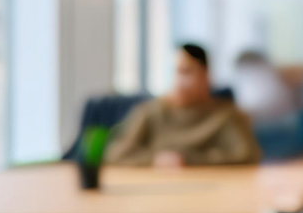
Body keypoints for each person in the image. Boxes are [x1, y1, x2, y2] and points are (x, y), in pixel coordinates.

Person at [105, 44, 261, 168]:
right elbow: (115, 153)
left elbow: (247, 155)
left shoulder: (225, 114)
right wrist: (154, 159)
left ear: (205, 75)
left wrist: (188, 160)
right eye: (174, 72)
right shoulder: (149, 112)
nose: (178, 80)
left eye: (186, 71)